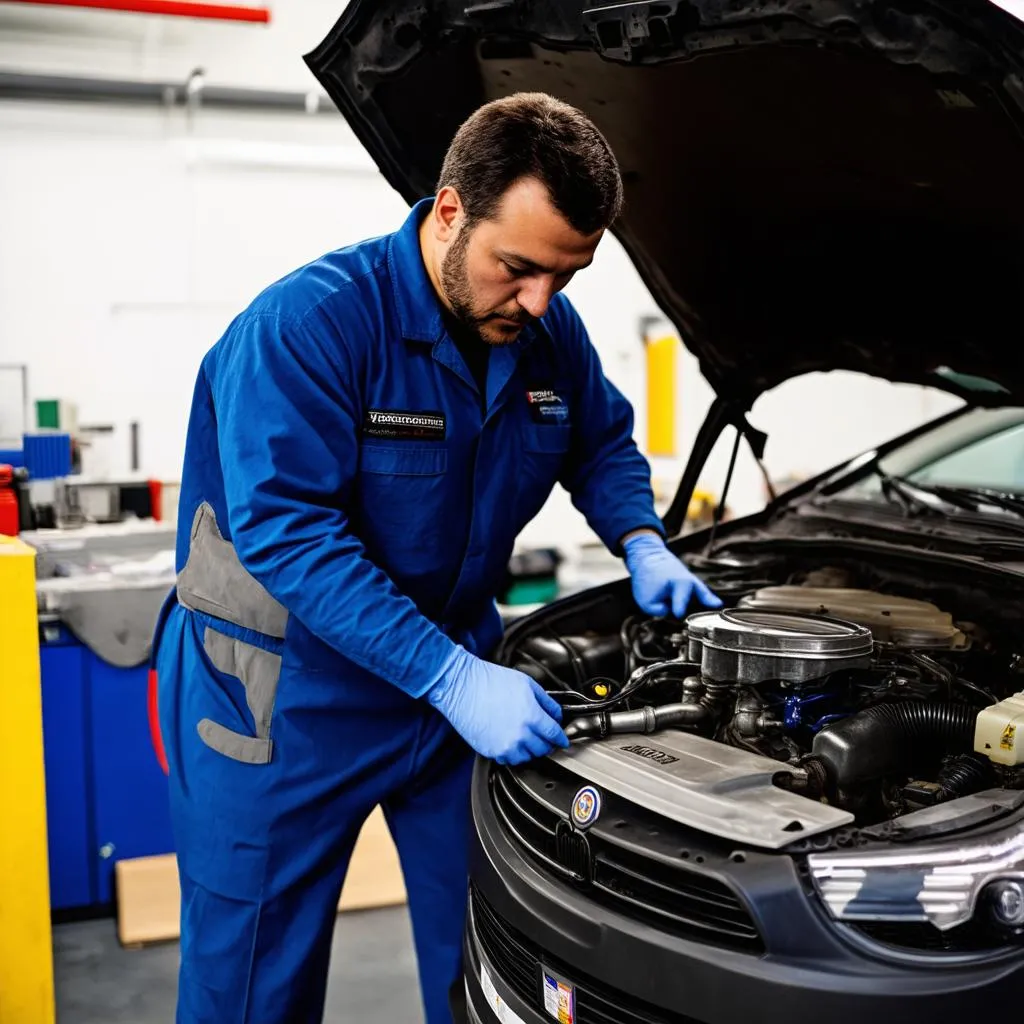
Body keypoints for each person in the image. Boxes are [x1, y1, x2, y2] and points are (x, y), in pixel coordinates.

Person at [155, 91, 721, 1024]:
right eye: (519, 268)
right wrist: (452, 678)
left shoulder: (542, 331)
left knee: (487, 955)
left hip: (450, 688)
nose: (538, 301)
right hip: (278, 700)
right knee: (250, 979)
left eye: (564, 280)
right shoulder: (308, 328)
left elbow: (602, 440)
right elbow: (289, 534)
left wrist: (642, 537)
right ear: (450, 211)